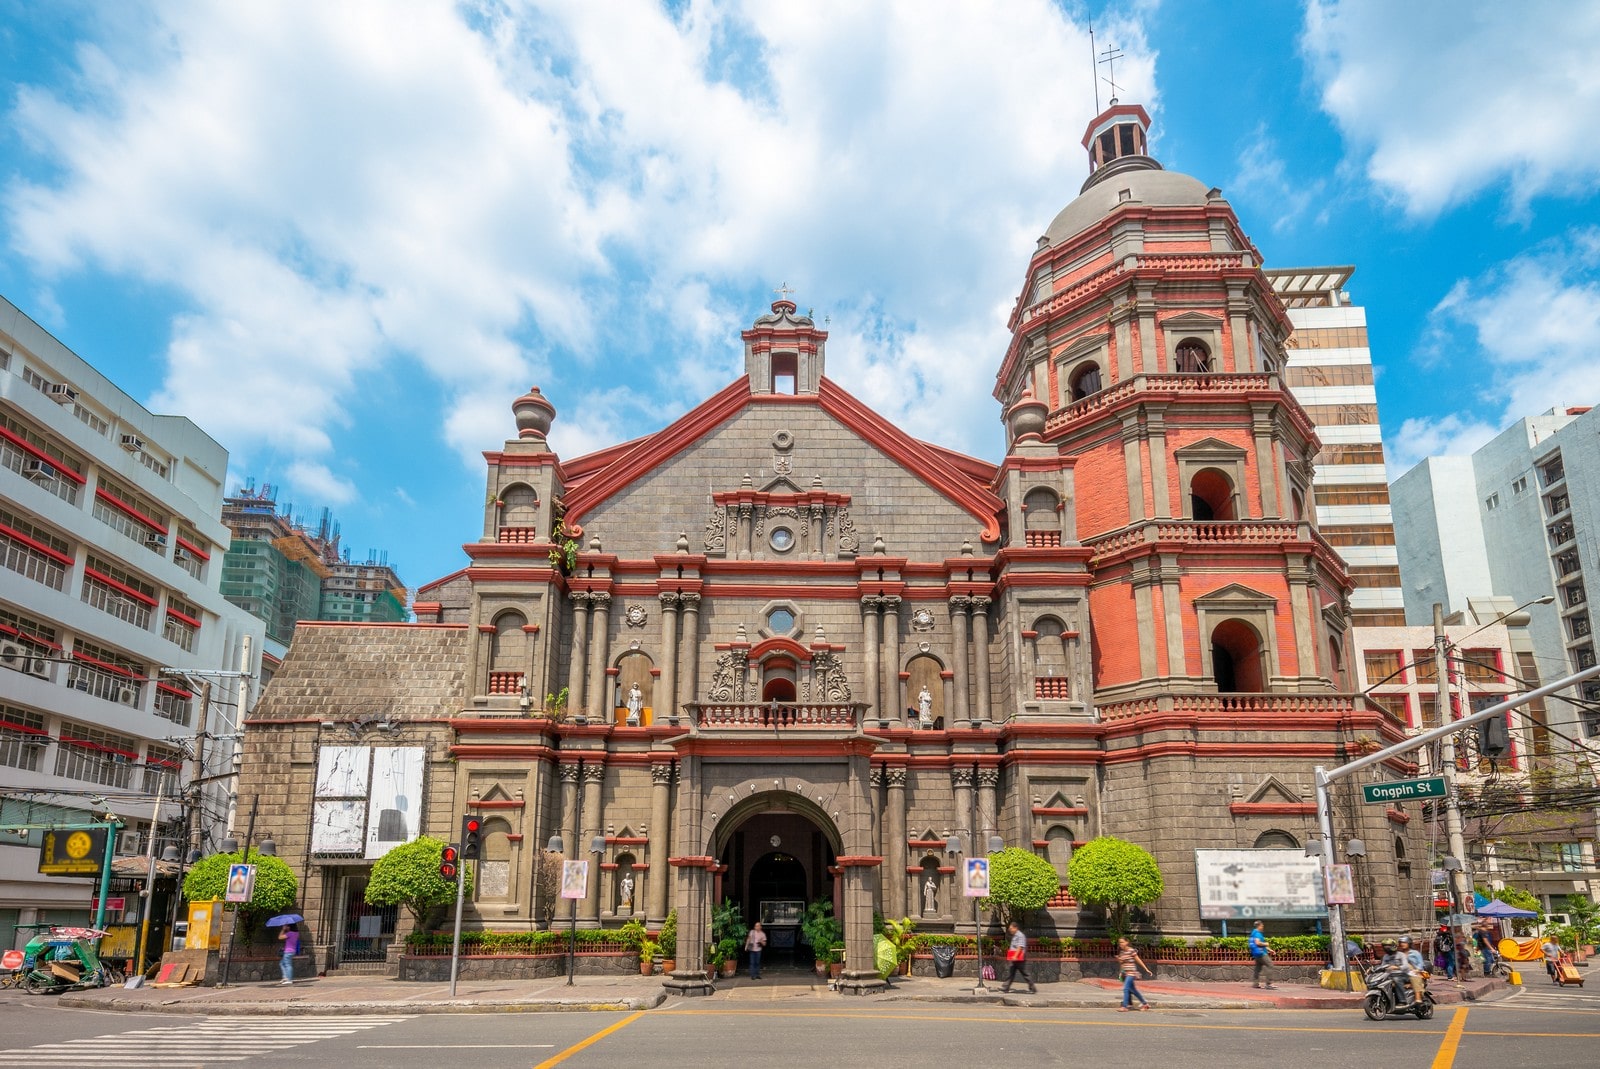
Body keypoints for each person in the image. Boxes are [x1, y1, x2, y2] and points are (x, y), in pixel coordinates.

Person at [1116, 936, 1152, 1011]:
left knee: (1126, 989)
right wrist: (1120, 972)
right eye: (1120, 943)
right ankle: (1145, 1004)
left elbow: (1138, 960)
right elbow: (1122, 964)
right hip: (1125, 974)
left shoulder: (1131, 951)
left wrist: (1146, 969)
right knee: (1133, 990)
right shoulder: (1122, 952)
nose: (1121, 944)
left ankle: (1125, 1006)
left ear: (1127, 942)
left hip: (1131, 973)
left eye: (1122, 942)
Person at [1000, 921, 1037, 995]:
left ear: (1015, 928)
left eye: (1011, 928)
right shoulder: (1015, 935)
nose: (1010, 930)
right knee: (1011, 973)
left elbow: (1020, 947)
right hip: (1015, 958)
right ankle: (1006, 987)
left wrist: (1015, 956)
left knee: (1025, 973)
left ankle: (1032, 987)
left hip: (1019, 958)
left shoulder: (1020, 935)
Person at [1398, 935, 1426, 1004]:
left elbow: (1420, 964)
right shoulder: (1399, 954)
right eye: (1401, 942)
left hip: (1415, 973)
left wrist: (1417, 970)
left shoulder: (1415, 953)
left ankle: (1418, 997)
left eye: (1404, 942)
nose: (1402, 944)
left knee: (1409, 967)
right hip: (1403, 974)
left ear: (1409, 943)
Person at [1248, 920, 1274, 989]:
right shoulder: (1257, 933)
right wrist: (1266, 944)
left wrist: (1269, 949)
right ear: (1259, 926)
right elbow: (1258, 943)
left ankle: (1255, 984)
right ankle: (1268, 984)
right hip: (1261, 953)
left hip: (1256, 953)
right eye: (1262, 926)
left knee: (1258, 969)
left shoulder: (1253, 933)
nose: (1263, 927)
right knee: (1270, 965)